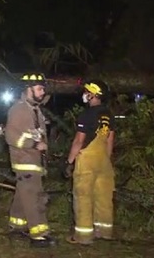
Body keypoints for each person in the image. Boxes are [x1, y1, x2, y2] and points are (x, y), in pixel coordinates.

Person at [4, 73, 56, 248]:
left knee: (23, 194)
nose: (42, 92)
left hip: (34, 161)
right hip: (24, 160)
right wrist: (34, 144)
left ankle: (16, 225)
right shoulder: (18, 109)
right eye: (39, 88)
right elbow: (11, 137)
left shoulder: (35, 110)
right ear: (28, 89)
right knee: (34, 198)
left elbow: (41, 137)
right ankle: (39, 235)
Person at [65, 80, 115, 244]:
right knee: (104, 197)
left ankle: (83, 236)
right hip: (104, 161)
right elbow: (109, 140)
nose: (84, 94)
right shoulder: (108, 114)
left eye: (87, 91)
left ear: (93, 94)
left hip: (87, 159)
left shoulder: (86, 114)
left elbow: (79, 141)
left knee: (83, 196)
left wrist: (70, 161)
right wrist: (106, 160)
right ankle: (104, 232)